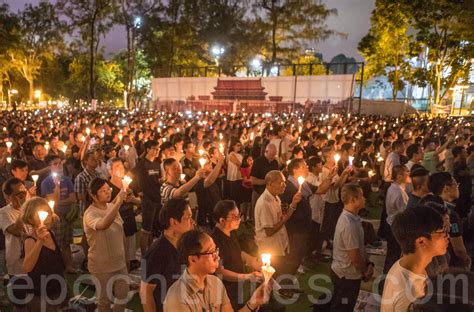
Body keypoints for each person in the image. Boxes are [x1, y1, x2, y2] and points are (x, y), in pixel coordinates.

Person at [163, 229, 271, 312]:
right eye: (211, 252)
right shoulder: (178, 297)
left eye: (216, 250)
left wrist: (253, 303)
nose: (217, 257)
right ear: (193, 259)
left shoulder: (215, 283)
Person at [381, 205, 449, 312]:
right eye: (442, 231)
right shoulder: (411, 294)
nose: (447, 235)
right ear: (421, 241)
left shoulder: (406, 263)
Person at [83, 177, 130, 312]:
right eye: (103, 191)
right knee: (104, 300)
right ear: (93, 195)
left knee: (123, 295)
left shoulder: (111, 207)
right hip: (101, 265)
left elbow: (121, 233)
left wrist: (126, 256)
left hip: (119, 262)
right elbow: (103, 225)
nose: (108, 192)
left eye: (108, 189)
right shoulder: (90, 213)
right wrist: (119, 201)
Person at [140, 198, 195, 312]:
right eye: (188, 217)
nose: (192, 221)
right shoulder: (156, 253)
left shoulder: (183, 244)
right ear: (174, 222)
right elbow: (146, 292)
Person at [211, 200, 263, 310]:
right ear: (222, 220)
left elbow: (237, 252)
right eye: (234, 217)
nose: (239, 219)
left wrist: (253, 261)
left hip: (236, 287)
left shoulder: (231, 231)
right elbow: (220, 271)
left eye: (239, 215)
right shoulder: (215, 241)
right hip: (225, 291)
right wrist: (247, 276)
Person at [330, 184, 373, 312]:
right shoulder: (348, 224)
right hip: (346, 275)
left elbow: (359, 247)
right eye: (361, 196)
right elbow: (354, 256)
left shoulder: (353, 218)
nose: (364, 199)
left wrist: (368, 263)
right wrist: (365, 271)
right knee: (343, 307)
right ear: (353, 200)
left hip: (348, 273)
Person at [21, 197, 68, 311]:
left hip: (58, 288)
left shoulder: (50, 233)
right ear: (30, 218)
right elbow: (27, 267)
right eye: (41, 214)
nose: (46, 218)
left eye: (48, 212)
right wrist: (40, 241)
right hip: (41, 295)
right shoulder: (30, 240)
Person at [254, 170, 301, 276]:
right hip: (270, 249)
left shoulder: (275, 197)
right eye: (281, 182)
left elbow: (281, 218)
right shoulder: (264, 203)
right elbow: (269, 231)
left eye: (284, 182)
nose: (284, 185)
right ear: (270, 184)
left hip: (278, 247)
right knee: (268, 280)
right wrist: (284, 220)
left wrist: (293, 204)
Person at [41, 154, 77, 273]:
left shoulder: (66, 180)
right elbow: (53, 203)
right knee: (58, 244)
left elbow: (73, 198)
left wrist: (60, 201)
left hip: (67, 216)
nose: (59, 166)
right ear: (49, 167)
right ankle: (58, 267)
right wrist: (57, 186)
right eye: (55, 164)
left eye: (60, 163)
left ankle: (69, 265)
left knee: (67, 243)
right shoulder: (46, 183)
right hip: (56, 217)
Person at [428, 172, 471, 270]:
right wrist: (466, 259)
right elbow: (459, 249)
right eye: (456, 185)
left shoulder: (428, 205)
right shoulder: (449, 215)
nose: (458, 188)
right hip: (449, 264)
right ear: (446, 189)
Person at [107, 158, 140, 271]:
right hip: (116, 224)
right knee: (120, 254)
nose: (121, 169)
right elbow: (107, 207)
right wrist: (121, 194)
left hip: (129, 220)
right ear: (110, 171)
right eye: (117, 167)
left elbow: (139, 201)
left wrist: (133, 199)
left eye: (121, 166)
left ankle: (128, 271)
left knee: (129, 253)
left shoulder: (127, 183)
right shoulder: (107, 188)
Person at [134, 140, 162, 255]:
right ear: (148, 150)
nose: (157, 151)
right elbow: (135, 180)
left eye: (158, 149)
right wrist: (139, 192)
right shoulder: (142, 164)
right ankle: (144, 253)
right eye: (155, 149)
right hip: (148, 200)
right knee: (146, 229)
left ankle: (151, 251)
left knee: (152, 229)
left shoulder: (157, 162)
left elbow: (158, 177)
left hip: (157, 198)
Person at [383, 165, 409, 274]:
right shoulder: (398, 192)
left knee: (391, 253)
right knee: (394, 254)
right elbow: (404, 211)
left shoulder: (393, 188)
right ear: (399, 177)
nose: (408, 176)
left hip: (391, 223)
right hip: (395, 225)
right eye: (406, 174)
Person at [74, 151, 97, 270]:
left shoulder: (96, 174)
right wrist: (94, 195)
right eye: (92, 159)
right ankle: (87, 257)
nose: (95, 160)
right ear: (85, 161)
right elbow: (80, 196)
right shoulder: (81, 177)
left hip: (97, 208)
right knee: (86, 234)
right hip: (87, 209)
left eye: (95, 158)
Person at [0, 178, 28, 276]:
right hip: (17, 265)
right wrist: (23, 208)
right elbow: (16, 231)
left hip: (33, 261)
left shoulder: (32, 208)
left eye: (24, 192)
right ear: (9, 197)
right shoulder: (3, 212)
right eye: (19, 194)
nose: (23, 196)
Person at [250, 144, 279, 219]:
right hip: (258, 192)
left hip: (270, 193)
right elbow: (253, 180)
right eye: (272, 154)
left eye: (275, 154)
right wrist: (267, 182)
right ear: (266, 151)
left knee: (268, 216)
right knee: (257, 216)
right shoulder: (258, 162)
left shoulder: (275, 162)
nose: (273, 156)